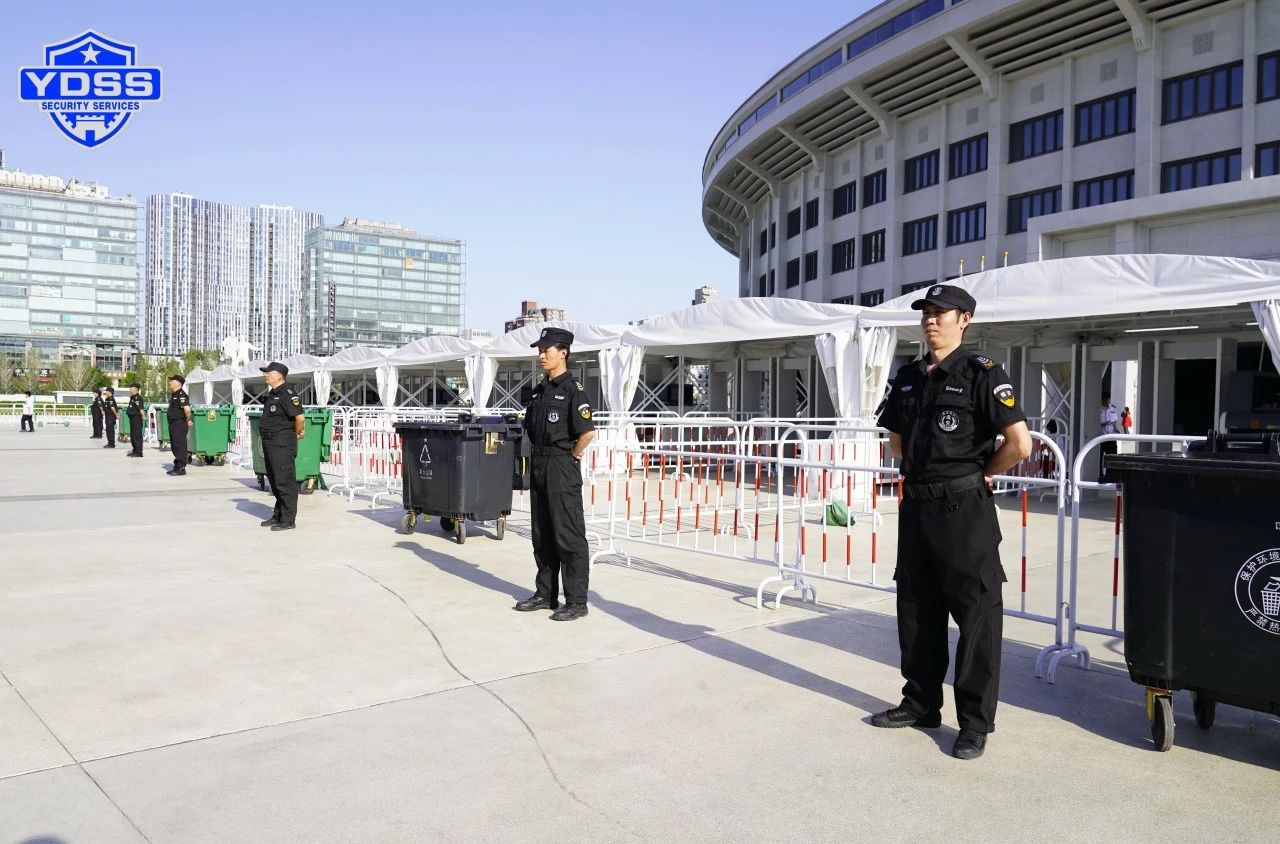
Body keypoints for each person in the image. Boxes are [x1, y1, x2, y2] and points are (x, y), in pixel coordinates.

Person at [874, 285, 1032, 761]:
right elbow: (897, 440)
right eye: (926, 312)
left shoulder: (983, 373)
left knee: (976, 615)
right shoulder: (908, 377)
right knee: (917, 610)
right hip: (917, 510)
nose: (931, 320)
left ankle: (974, 724)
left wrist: (979, 474)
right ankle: (921, 704)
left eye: (941, 313)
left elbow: (1019, 445)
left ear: (964, 319)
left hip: (963, 511)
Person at [513, 327, 596, 621]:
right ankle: (545, 594)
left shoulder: (573, 389)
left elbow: (587, 432)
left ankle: (576, 601)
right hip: (539, 463)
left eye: (546, 350)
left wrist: (573, 454)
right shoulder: (540, 390)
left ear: (563, 353)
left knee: (568, 535)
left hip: (561, 465)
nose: (541, 356)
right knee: (542, 534)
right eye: (539, 351)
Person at [257, 361, 305, 531]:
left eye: (268, 373)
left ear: (279, 376)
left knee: (285, 481)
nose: (266, 375)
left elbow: (300, 419)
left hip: (282, 443)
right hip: (270, 442)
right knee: (275, 480)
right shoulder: (272, 393)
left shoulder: (288, 394)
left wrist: (296, 433)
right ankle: (278, 515)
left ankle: (288, 520)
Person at [166, 375, 193, 475]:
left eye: (172, 381)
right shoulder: (175, 394)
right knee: (175, 445)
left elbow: (187, 409)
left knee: (179, 445)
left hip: (179, 423)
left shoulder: (181, 395)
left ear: (177, 383)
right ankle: (177, 466)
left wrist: (188, 419)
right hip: (174, 423)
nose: (170, 383)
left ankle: (181, 468)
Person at [1099, 393, 1120, 481]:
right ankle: (1100, 475)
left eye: (1108, 400)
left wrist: (1117, 429)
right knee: (1099, 458)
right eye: (1105, 400)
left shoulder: (1113, 408)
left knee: (1112, 457)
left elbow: (1114, 421)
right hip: (1101, 437)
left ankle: (1111, 475)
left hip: (1111, 437)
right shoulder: (1098, 408)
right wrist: (1103, 424)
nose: (1107, 402)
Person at [126, 383, 145, 457]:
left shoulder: (138, 398)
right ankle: (135, 450)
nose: (130, 389)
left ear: (136, 389)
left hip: (136, 418)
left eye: (132, 387)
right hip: (132, 418)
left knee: (137, 435)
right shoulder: (132, 397)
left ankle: (139, 452)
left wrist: (143, 416)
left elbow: (140, 408)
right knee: (133, 435)